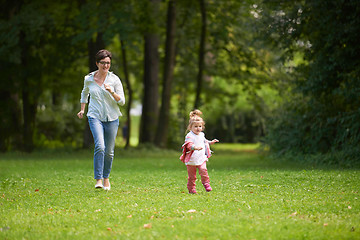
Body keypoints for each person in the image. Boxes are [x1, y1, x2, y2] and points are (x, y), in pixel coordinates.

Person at [77, 49, 125, 191]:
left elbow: (122, 101)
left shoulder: (114, 80)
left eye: (108, 63)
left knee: (109, 151)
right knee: (100, 146)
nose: (105, 66)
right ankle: (98, 179)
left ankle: (106, 179)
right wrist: (82, 109)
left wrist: (111, 92)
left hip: (112, 118)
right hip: (94, 116)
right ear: (97, 63)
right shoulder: (89, 79)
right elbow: (84, 93)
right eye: (103, 63)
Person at [179, 109, 219, 194]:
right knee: (192, 177)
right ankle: (191, 189)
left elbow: (204, 141)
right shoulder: (189, 135)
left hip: (200, 157)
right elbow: (188, 144)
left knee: (203, 170)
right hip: (191, 160)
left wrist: (211, 142)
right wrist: (194, 147)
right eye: (195, 126)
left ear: (202, 127)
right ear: (190, 127)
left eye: (200, 126)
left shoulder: (202, 134)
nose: (198, 128)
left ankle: (206, 183)